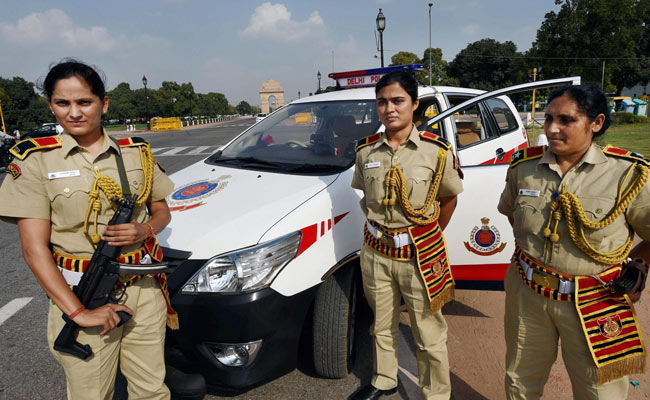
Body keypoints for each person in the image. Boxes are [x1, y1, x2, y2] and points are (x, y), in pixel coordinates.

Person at [0, 60, 176, 399]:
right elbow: (33, 250)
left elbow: (161, 210)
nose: (74, 113)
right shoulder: (35, 160)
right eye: (62, 103)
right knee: (91, 394)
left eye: (84, 102)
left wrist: (145, 230)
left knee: (152, 390)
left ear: (103, 103)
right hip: (83, 291)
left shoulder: (135, 153)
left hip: (142, 286)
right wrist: (79, 312)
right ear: (51, 105)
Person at [498, 84, 649, 399]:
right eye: (548, 118)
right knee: (520, 382)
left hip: (597, 298)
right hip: (529, 293)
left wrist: (639, 263)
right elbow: (512, 216)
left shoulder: (628, 174)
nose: (552, 128)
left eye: (566, 120)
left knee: (600, 390)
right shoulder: (523, 168)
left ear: (595, 123)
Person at [350, 70, 463, 400]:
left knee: (428, 333)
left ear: (414, 104)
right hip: (376, 254)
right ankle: (384, 379)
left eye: (398, 101)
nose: (389, 109)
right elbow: (364, 196)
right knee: (381, 324)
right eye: (382, 102)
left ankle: (436, 395)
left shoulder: (437, 152)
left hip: (420, 256)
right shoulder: (366, 152)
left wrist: (426, 237)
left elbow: (449, 198)